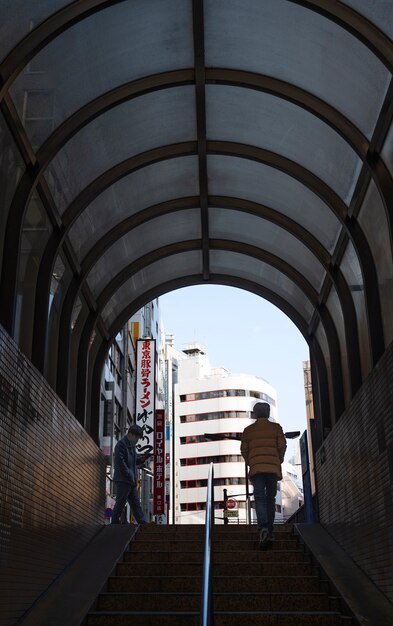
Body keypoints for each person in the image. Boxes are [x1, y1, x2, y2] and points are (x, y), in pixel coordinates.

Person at [241, 401, 286, 549]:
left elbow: (244, 450)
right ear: (267, 413)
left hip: (257, 469)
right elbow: (282, 446)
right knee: (270, 499)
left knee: (259, 498)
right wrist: (277, 460)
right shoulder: (276, 428)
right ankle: (270, 530)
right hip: (272, 469)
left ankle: (263, 528)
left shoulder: (248, 430)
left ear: (255, 413)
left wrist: (251, 462)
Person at [111, 424, 150, 525]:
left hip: (131, 480)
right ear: (131, 434)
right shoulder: (121, 445)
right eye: (136, 437)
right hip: (123, 479)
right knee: (121, 501)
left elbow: (134, 461)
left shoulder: (131, 447)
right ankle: (114, 521)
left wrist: (142, 459)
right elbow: (120, 461)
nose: (137, 440)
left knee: (135, 503)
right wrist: (128, 473)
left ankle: (142, 522)